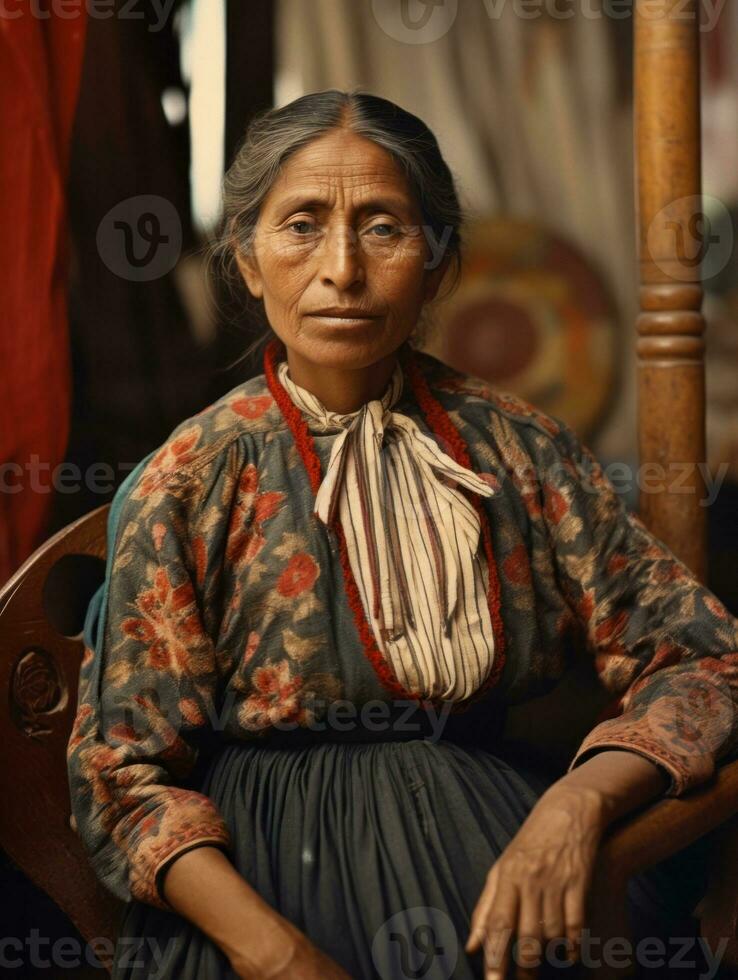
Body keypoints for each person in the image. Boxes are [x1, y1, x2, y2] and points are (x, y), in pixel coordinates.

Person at [66, 89, 738, 980]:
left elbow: (704, 658)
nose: (341, 268)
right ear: (247, 261)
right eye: (302, 224)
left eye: (383, 227)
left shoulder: (517, 450)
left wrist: (575, 808)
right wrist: (277, 957)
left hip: (494, 846)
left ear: (438, 262)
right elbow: (121, 780)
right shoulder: (192, 480)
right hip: (255, 891)